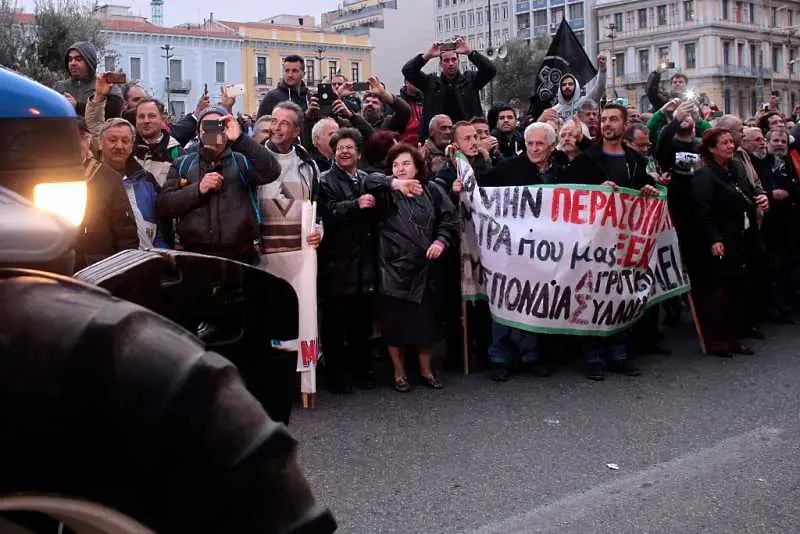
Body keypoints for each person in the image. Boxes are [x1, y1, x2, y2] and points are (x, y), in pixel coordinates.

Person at [317, 129, 424, 393]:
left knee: (361, 322)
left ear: (359, 153)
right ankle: (336, 376)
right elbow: (327, 212)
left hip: (366, 260)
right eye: (339, 147)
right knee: (335, 324)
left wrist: (395, 185)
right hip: (337, 262)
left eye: (349, 147)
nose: (344, 151)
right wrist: (355, 204)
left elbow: (379, 182)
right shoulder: (325, 180)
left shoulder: (366, 177)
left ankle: (362, 371)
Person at [566, 104, 659, 380]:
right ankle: (592, 356)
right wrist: (595, 191)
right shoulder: (586, 159)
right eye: (604, 119)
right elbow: (571, 194)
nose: (607, 124)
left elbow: (641, 189)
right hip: (593, 245)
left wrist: (646, 189)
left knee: (620, 295)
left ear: (624, 124)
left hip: (624, 241)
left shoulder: (636, 160)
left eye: (613, 119)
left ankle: (619, 354)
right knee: (592, 297)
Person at [378, 143, 458, 392]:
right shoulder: (386, 190)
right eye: (395, 165)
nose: (400, 169)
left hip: (425, 268)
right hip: (392, 269)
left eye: (405, 164)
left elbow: (450, 220)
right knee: (394, 326)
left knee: (426, 325)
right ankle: (399, 373)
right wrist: (394, 184)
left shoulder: (432, 190)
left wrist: (441, 240)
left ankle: (426, 371)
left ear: (417, 167)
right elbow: (369, 180)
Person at [157, 106, 282, 263]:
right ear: (198, 133)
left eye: (218, 126)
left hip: (240, 256)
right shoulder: (183, 164)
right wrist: (197, 190)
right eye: (207, 126)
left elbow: (272, 171)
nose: (212, 132)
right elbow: (164, 206)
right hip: (195, 258)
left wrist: (240, 139)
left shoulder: (241, 160)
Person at [689, 128, 770, 357]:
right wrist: (714, 238)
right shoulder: (704, 175)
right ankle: (716, 340)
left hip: (741, 234)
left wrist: (761, 196)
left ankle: (734, 337)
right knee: (718, 291)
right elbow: (702, 211)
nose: (730, 146)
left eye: (730, 142)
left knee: (738, 288)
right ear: (712, 148)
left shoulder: (736, 167)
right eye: (723, 143)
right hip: (720, 238)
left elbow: (751, 189)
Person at [74, 118, 140, 269]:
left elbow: (126, 233)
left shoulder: (108, 178)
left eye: (83, 137)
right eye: (70, 138)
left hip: (99, 266)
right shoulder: (44, 174)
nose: (77, 144)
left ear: (89, 140)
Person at [402, 37, 496, 141]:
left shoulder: (470, 80)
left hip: (468, 137)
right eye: (446, 60)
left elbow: (490, 70)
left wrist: (471, 53)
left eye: (453, 59)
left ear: (458, 62)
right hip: (438, 140)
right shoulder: (430, 83)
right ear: (441, 64)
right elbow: (408, 71)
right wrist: (427, 56)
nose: (450, 63)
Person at [96, 118, 169, 251]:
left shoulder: (146, 180)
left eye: (125, 141)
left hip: (144, 261)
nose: (119, 146)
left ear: (131, 146)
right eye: (112, 140)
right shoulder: (88, 179)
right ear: (100, 143)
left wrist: (161, 251)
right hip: (101, 265)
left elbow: (159, 225)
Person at [262, 102, 322, 253]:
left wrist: (318, 230)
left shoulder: (308, 165)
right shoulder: (255, 160)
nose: (276, 128)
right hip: (263, 258)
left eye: (284, 123)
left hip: (299, 256)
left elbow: (317, 209)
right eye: (274, 121)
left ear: (296, 131)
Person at [757, 128, 799, 322]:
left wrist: (789, 192)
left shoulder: (790, 162)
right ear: (767, 142)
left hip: (789, 220)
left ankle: (785, 303)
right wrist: (771, 194)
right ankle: (771, 307)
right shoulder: (761, 162)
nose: (780, 144)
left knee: (787, 263)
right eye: (776, 140)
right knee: (771, 265)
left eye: (783, 141)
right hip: (769, 221)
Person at [54, 41, 122, 119]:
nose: (73, 63)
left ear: (89, 61)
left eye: (78, 59)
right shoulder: (61, 87)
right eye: (70, 59)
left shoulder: (105, 84)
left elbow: (112, 113)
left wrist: (77, 106)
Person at [552, 55, 607, 121]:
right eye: (564, 85)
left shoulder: (584, 102)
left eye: (570, 84)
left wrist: (602, 70)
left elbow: (599, 90)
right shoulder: (554, 111)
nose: (567, 87)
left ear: (576, 87)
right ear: (560, 89)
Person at [398, 78, 424, 145]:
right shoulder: (398, 103)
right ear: (407, 83)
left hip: (422, 144)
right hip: (403, 145)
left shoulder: (425, 102)